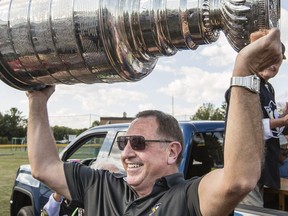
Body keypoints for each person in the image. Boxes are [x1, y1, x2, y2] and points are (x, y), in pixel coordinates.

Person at [26, 28, 282, 215]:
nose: (125, 153)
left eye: (137, 142)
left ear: (172, 152)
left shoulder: (187, 198)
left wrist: (245, 73)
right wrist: (37, 99)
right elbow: (44, 165)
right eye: (124, 142)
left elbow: (238, 180)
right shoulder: (100, 185)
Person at [41, 158, 123, 216]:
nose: (115, 184)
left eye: (118, 179)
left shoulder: (126, 205)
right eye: (110, 180)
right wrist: (58, 194)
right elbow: (49, 214)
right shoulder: (78, 205)